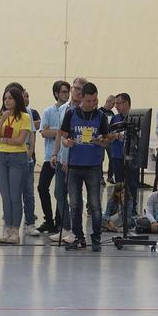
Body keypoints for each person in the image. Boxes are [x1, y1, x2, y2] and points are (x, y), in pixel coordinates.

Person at [59, 82, 110, 252]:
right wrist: (68, 142)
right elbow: (63, 138)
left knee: (95, 204)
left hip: (94, 166)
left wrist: (101, 141)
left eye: (95, 100)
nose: (92, 104)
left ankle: (96, 237)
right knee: (74, 204)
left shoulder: (101, 116)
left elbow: (106, 140)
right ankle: (79, 238)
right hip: (74, 166)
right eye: (89, 101)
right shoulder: (70, 114)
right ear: (81, 98)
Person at [0, 84, 33, 246]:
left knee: (16, 196)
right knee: (6, 196)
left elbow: (20, 140)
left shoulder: (25, 117)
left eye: (10, 98)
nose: (7, 101)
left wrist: (5, 139)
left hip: (18, 158)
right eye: (5, 98)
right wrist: (2, 118)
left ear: (17, 100)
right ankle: (7, 228)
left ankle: (15, 229)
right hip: (1, 158)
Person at [35, 79, 72, 235]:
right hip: (50, 156)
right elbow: (43, 132)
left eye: (67, 91)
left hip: (65, 157)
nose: (66, 94)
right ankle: (48, 220)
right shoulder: (48, 111)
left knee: (61, 191)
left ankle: (59, 222)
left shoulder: (70, 111)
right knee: (42, 187)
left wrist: (55, 131)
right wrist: (59, 132)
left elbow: (67, 133)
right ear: (56, 93)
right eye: (63, 91)